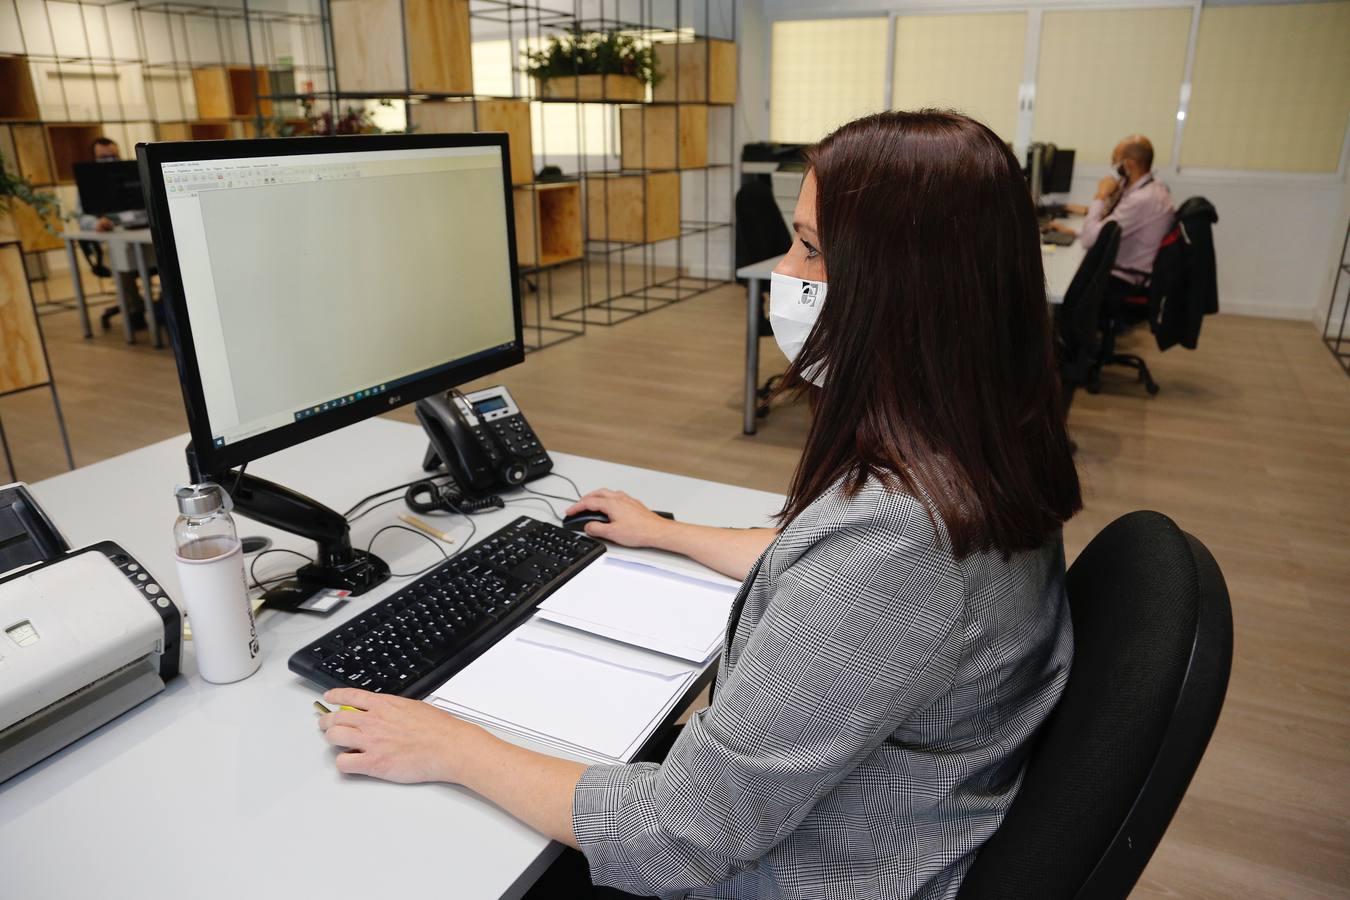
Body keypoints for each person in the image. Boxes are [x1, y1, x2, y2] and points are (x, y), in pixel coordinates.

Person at [316, 110, 1082, 900]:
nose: (786, 269)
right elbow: (827, 575)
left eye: (811, 247)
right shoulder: (982, 448)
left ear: (907, 289)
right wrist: (667, 534)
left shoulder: (898, 546)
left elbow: (670, 842)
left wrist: (453, 746)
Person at [1051, 134, 1176, 312]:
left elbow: (1090, 240)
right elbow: (1108, 226)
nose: (1113, 166)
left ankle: (1068, 335)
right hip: (1127, 266)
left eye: (1115, 160)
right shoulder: (1150, 188)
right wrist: (1074, 232)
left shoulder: (1142, 199)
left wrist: (1101, 195)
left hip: (1125, 277)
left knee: (1064, 282)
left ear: (1129, 164)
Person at [78, 137, 149, 330]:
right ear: (93, 159)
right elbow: (82, 217)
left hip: (143, 236)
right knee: (120, 258)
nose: (110, 161)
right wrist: (96, 223)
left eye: (114, 156)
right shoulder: (89, 184)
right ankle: (135, 310)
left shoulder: (134, 175)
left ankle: (165, 306)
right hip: (114, 241)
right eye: (103, 158)